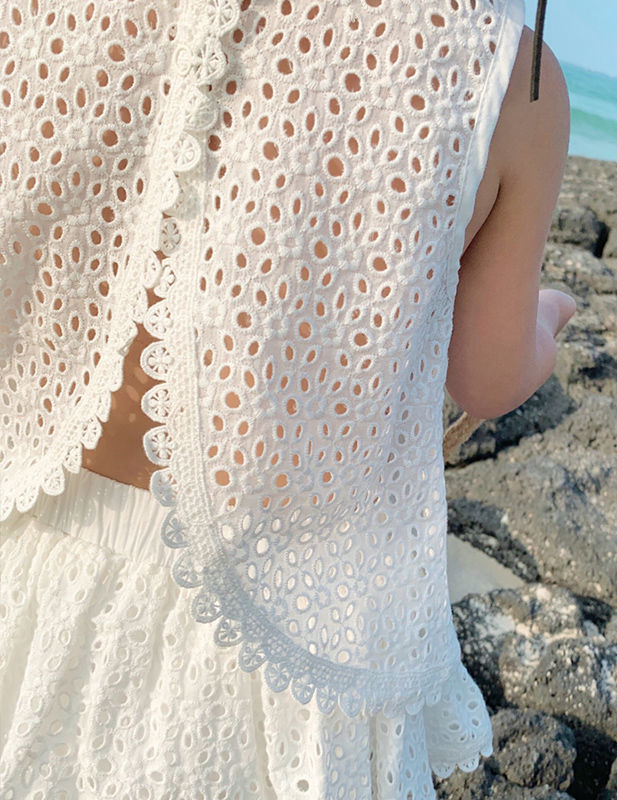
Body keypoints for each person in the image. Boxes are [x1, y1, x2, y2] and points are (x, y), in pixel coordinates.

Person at [0, 0, 573, 796]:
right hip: (271, 644)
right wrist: (544, 323)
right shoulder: (508, 76)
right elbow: (487, 374)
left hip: (22, 537)